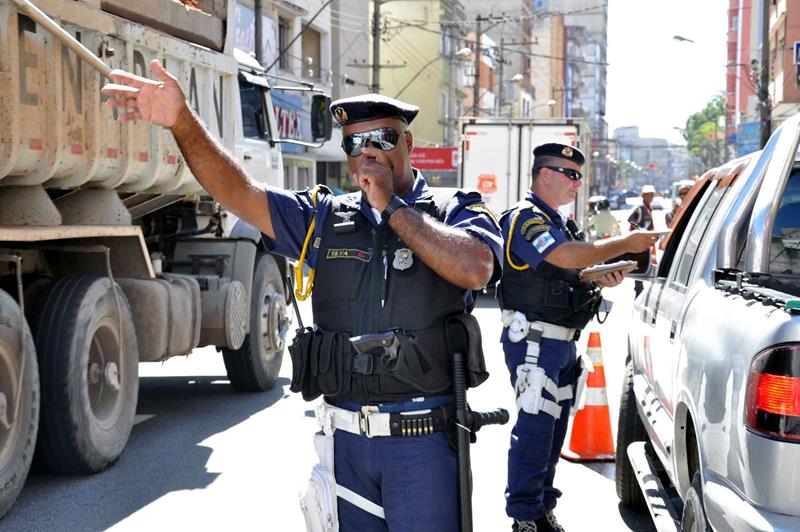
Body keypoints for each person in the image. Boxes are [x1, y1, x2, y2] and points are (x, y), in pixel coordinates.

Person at [101, 62, 503, 531]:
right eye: (354, 143)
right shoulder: (324, 217)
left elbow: (476, 267)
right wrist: (181, 122)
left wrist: (392, 208)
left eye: (383, 138)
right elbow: (239, 192)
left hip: (423, 444)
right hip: (346, 445)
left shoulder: (454, 209)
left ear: (408, 143)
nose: (368, 152)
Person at [496, 143, 660, 532]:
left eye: (579, 176)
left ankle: (540, 509)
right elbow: (564, 256)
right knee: (535, 430)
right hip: (535, 341)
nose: (577, 183)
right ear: (544, 174)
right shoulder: (526, 219)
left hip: (561, 342)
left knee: (552, 434)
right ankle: (524, 516)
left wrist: (602, 278)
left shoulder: (559, 223)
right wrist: (624, 244)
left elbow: (572, 272)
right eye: (569, 174)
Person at [627, 184, 656, 297]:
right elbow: (631, 220)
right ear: (643, 195)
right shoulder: (640, 208)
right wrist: (641, 231)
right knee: (639, 263)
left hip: (645, 241)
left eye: (652, 195)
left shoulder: (648, 207)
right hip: (638, 241)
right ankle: (638, 286)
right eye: (648, 195)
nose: (651, 197)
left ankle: (640, 286)